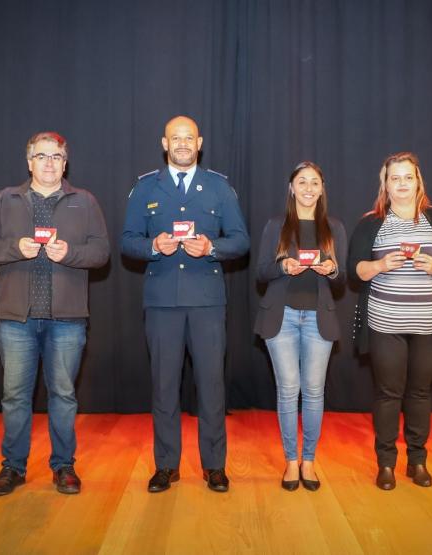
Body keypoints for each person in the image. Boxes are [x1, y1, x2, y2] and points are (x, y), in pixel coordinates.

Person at [0, 132, 110, 496]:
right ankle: (13, 467)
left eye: (56, 156)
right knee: (15, 397)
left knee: (63, 395)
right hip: (16, 320)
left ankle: (64, 466)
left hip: (67, 320)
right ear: (29, 162)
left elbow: (101, 252)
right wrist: (13, 248)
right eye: (41, 156)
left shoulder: (84, 201)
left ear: (65, 163)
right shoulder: (4, 199)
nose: (49, 163)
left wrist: (71, 254)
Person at [122, 116, 249, 493]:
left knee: (211, 385)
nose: (182, 144)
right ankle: (166, 465)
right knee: (164, 387)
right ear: (164, 143)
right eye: (175, 138)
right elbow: (127, 240)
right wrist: (152, 246)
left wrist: (212, 247)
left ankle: (214, 466)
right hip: (162, 302)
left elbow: (241, 240)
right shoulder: (146, 187)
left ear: (200, 143)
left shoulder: (219, 187)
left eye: (188, 138)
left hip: (207, 302)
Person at [347, 152, 432, 490]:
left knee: (420, 393)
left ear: (418, 182)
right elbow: (354, 270)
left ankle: (417, 460)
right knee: (388, 393)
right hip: (385, 323)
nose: (401, 184)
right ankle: (386, 463)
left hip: (428, 324)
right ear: (385, 184)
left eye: (407, 177)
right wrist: (380, 266)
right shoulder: (371, 223)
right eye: (394, 178)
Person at [254, 161, 347, 492]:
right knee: (288, 390)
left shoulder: (334, 227)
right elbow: (261, 272)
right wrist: (283, 266)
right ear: (291, 188)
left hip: (318, 319)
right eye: (302, 182)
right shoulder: (276, 225)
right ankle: (291, 460)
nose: (308, 188)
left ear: (322, 189)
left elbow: (342, 279)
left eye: (315, 183)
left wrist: (332, 270)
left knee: (314, 391)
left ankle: (309, 459)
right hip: (282, 318)